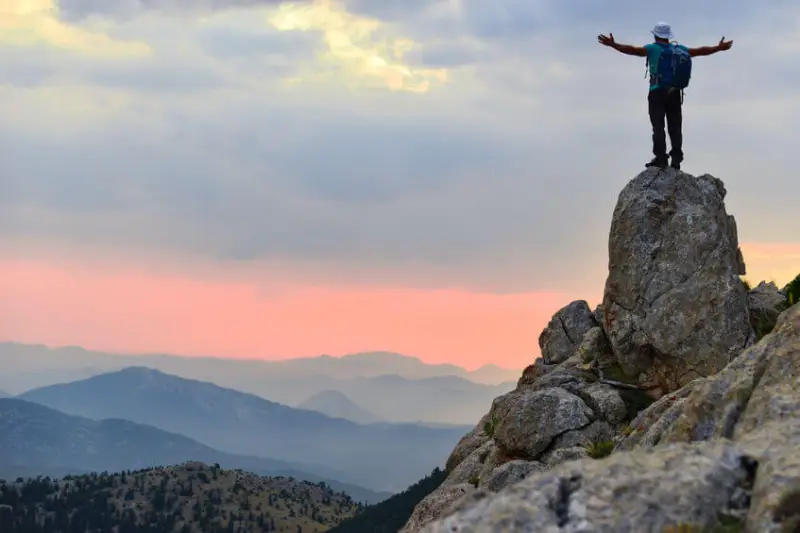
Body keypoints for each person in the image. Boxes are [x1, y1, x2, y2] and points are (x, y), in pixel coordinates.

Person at [597, 22, 733, 170]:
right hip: (674, 92)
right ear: (669, 37)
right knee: (675, 127)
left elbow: (632, 50)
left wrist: (613, 44)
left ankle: (661, 158)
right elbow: (700, 51)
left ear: (655, 35)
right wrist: (718, 48)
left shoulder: (652, 48)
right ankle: (676, 161)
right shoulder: (679, 49)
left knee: (658, 126)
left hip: (657, 91)